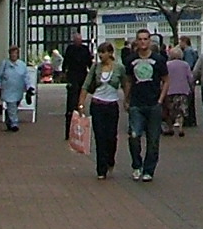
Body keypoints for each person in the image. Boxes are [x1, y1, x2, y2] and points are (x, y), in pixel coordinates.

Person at [123, 28, 167, 181]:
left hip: (153, 103)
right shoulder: (130, 60)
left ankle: (149, 170)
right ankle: (137, 165)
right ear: (136, 41)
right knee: (134, 135)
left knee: (153, 139)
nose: (143, 42)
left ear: (149, 41)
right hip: (136, 103)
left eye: (145, 39)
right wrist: (126, 98)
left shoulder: (159, 60)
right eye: (140, 39)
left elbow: (166, 80)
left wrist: (161, 99)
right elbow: (128, 80)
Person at [78, 42, 125, 178]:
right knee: (100, 136)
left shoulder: (119, 68)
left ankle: (110, 159)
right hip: (97, 104)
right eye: (99, 52)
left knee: (111, 136)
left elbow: (125, 83)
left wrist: (127, 100)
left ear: (110, 53)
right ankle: (101, 169)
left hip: (111, 105)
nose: (100, 55)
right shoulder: (95, 67)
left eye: (103, 52)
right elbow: (86, 85)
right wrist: (81, 103)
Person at [63, 31, 93, 141]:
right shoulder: (70, 49)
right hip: (73, 76)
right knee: (71, 103)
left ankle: (79, 122)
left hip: (82, 76)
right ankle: (69, 130)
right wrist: (64, 73)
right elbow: (65, 62)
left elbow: (89, 63)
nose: (78, 42)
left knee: (80, 100)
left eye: (79, 40)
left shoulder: (85, 49)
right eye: (76, 40)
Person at [0, 45, 31, 131]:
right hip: (7, 89)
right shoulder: (4, 64)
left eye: (15, 53)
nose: (14, 55)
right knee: (11, 105)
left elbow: (26, 77)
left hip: (18, 89)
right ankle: (14, 124)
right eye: (12, 53)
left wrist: (29, 87)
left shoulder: (22, 65)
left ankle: (9, 119)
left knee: (14, 106)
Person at [163, 46, 193, 136]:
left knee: (170, 110)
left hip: (170, 90)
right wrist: (191, 86)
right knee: (181, 110)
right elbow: (190, 77)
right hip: (183, 89)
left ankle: (170, 128)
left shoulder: (167, 65)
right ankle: (180, 128)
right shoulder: (185, 65)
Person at [180, 37, 200, 127]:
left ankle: (188, 119)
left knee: (188, 98)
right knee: (190, 98)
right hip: (192, 77)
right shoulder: (193, 51)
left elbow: (188, 65)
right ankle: (191, 119)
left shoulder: (187, 51)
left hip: (188, 78)